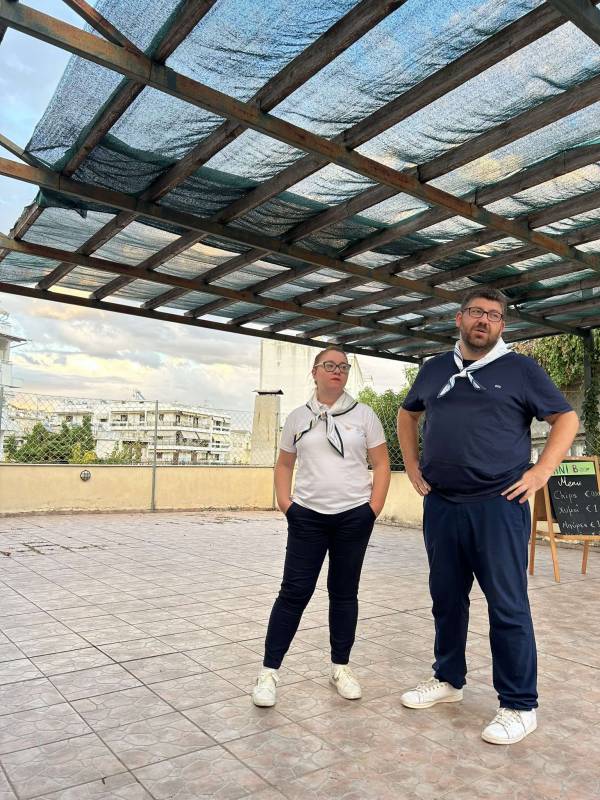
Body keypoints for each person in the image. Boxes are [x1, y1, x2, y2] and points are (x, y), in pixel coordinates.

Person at [397, 287, 579, 745]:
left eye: (494, 315)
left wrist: (541, 471)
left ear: (502, 326)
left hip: (499, 506)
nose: (484, 320)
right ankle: (448, 680)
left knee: (507, 605)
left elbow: (566, 419)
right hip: (442, 505)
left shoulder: (521, 369)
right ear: (459, 318)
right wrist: (412, 466)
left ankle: (519, 705)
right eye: (476, 312)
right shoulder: (434, 369)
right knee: (446, 598)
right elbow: (406, 414)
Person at [252, 346, 391, 707]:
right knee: (294, 592)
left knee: (344, 593)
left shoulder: (364, 415)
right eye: (329, 365)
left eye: (343, 366)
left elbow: (381, 464)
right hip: (308, 517)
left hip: (353, 517)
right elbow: (284, 464)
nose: (337, 371)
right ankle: (268, 673)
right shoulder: (298, 418)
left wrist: (372, 509)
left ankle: (340, 668)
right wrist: (287, 504)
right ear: (314, 373)